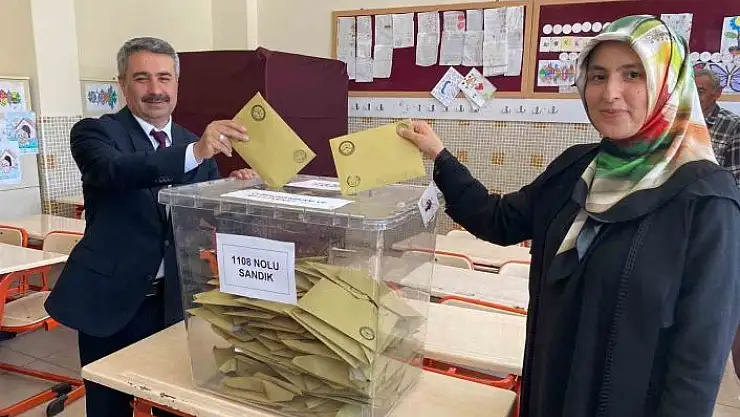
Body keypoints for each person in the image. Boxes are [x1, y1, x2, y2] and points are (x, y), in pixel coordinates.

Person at [400, 16, 740, 417]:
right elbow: (499, 219)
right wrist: (440, 155)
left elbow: (698, 361)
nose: (610, 93)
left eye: (633, 74)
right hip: (549, 390)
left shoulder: (707, 198)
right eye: (598, 76)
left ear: (669, 83)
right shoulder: (576, 167)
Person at [44, 37, 257, 417]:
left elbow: (207, 216)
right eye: (142, 78)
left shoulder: (193, 143)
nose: (155, 89)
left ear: (177, 84)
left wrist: (235, 190)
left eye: (164, 77)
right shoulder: (96, 132)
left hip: (173, 299)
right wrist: (195, 154)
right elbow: (112, 171)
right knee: (108, 404)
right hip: (111, 299)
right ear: (122, 84)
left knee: (169, 401)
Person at [694, 68, 740, 185]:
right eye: (690, 91)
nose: (692, 97)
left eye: (700, 92)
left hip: (713, 193)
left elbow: (735, 179)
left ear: (717, 93)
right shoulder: (677, 119)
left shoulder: (733, 126)